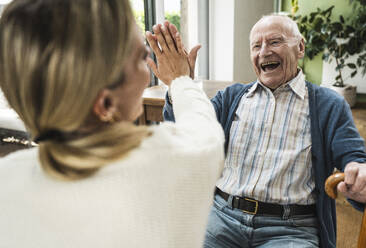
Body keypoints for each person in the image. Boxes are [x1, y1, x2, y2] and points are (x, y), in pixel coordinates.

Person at [0, 0, 225, 247]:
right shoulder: (172, 160)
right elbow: (205, 130)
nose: (149, 73)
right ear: (105, 103)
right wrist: (180, 80)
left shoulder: (7, 178)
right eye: (142, 57)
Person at [157, 15, 366, 248]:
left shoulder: (328, 104)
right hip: (222, 218)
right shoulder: (230, 98)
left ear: (300, 48)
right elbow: (187, 131)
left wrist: (358, 172)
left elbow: (354, 157)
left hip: (291, 229)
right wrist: (180, 85)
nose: (264, 51)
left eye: (275, 42)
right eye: (256, 46)